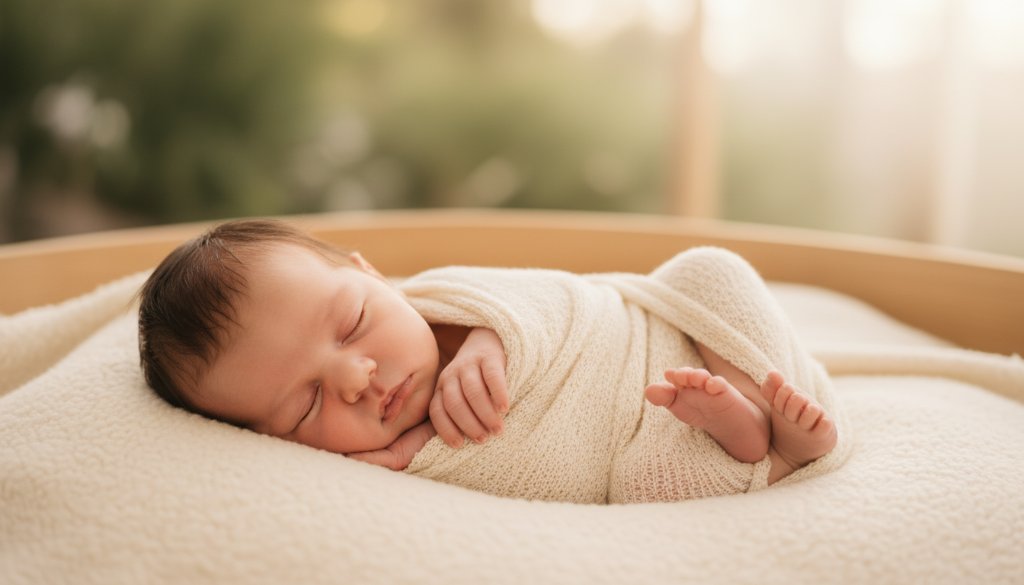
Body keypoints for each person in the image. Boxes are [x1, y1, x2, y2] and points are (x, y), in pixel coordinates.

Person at [138, 219, 842, 504]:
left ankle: (761, 396)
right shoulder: (372, 469)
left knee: (708, 268)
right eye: (305, 406)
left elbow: (562, 295)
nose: (356, 378)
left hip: (657, 342)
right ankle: (764, 452)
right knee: (648, 481)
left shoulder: (448, 298)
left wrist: (496, 338)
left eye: (353, 323)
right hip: (643, 435)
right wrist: (422, 451)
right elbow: (528, 467)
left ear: (372, 274)